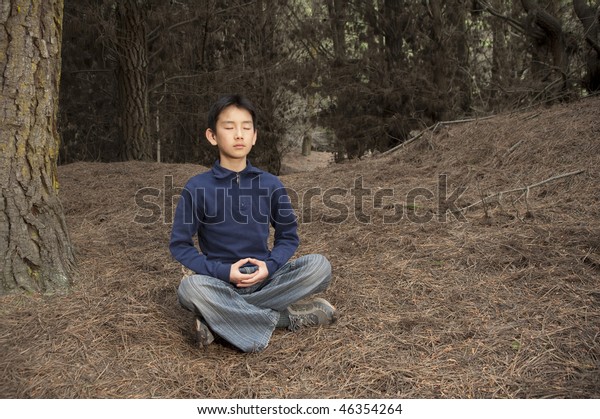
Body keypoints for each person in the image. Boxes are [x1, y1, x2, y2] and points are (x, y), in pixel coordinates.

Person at [169, 94, 336, 353]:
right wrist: (224, 273)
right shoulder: (197, 187)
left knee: (320, 267)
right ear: (212, 136)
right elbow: (180, 245)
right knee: (189, 289)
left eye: (246, 128)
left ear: (255, 136)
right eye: (229, 127)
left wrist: (269, 267)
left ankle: (219, 321)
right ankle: (285, 318)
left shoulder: (270, 184)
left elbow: (288, 237)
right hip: (219, 281)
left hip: (266, 277)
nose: (239, 135)